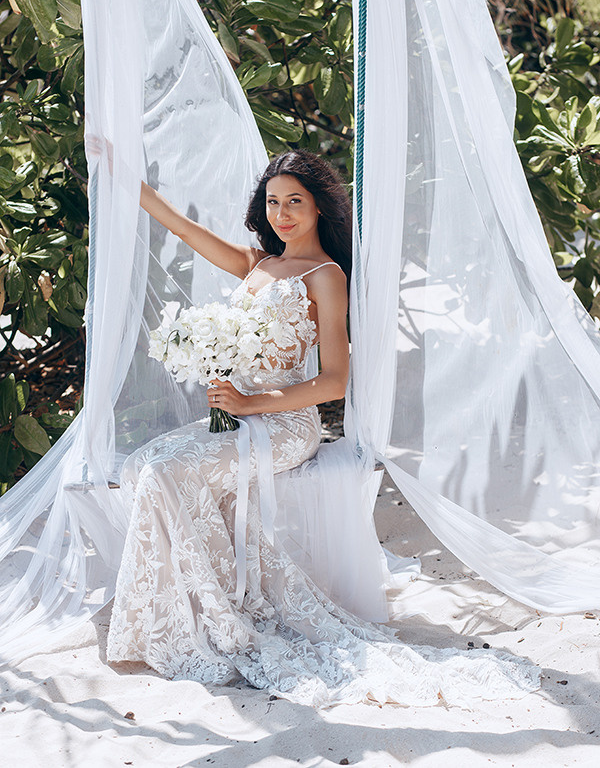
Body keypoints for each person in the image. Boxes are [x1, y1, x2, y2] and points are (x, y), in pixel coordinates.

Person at [105, 149, 540, 709]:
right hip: (239, 412)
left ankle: (221, 612)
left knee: (166, 473)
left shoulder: (326, 276)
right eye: (273, 202)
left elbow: (334, 381)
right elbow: (185, 230)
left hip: (284, 422)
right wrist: (124, 178)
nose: (282, 213)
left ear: (316, 209)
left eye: (295, 202)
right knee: (144, 464)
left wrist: (252, 401)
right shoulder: (258, 264)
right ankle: (189, 601)